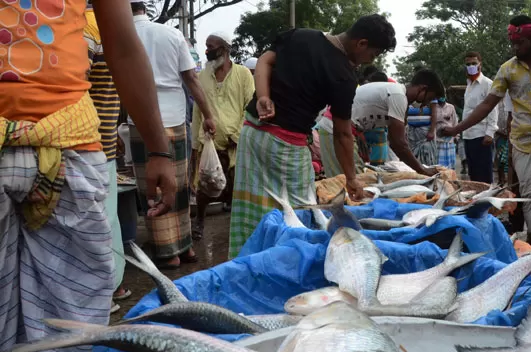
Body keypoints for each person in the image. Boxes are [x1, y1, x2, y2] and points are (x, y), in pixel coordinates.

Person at [0, 0, 176, 352]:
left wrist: (157, 148)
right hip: (70, 143)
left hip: (72, 142)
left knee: (79, 309)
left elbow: (123, 47)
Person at [228, 15, 397, 258]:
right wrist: (351, 179)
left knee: (252, 205)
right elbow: (342, 134)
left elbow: (265, 60)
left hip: (252, 134)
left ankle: (245, 260)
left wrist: (263, 96)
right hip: (286, 149)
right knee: (302, 211)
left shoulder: (302, 36)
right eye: (373, 53)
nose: (371, 60)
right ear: (361, 43)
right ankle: (285, 262)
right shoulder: (343, 76)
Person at [442, 16, 531, 252]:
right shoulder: (507, 69)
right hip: (524, 144)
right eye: (513, 43)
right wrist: (457, 129)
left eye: (520, 42)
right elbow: (486, 105)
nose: (515, 47)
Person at [130, 1, 216, 268]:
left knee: (152, 187)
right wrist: (209, 114)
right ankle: (185, 246)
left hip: (141, 120)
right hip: (175, 118)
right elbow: (191, 79)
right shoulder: (172, 34)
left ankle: (168, 252)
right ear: (146, 8)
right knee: (178, 185)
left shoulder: (120, 34)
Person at [83, 5, 131, 313]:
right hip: (103, 144)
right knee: (107, 217)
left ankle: (102, 293)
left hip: (84, 145)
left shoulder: (85, 25)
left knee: (94, 221)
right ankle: (113, 287)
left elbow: (77, 86)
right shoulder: (107, 28)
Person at [318, 70, 445, 179]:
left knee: (352, 180)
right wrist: (422, 170)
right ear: (423, 88)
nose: (425, 104)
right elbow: (398, 144)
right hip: (335, 129)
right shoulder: (398, 95)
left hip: (342, 130)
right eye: (428, 98)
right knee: (347, 182)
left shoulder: (398, 95)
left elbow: (397, 139)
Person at [191, 31, 255, 240]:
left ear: (225, 49)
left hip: (235, 144)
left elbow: (250, 107)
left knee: (236, 187)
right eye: (206, 46)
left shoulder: (243, 74)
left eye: (211, 47)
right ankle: (199, 222)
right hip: (209, 143)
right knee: (204, 188)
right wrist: (195, 144)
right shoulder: (202, 76)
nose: (207, 50)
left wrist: (236, 134)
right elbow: (197, 111)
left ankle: (237, 228)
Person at [461, 52, 498, 184]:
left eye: (474, 63)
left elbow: (493, 109)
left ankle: (487, 203)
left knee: (485, 177)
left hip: (482, 136)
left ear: (480, 65)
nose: (471, 66)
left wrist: (490, 132)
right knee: (474, 175)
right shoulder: (469, 86)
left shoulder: (487, 84)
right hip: (468, 135)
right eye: (468, 64)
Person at [362, 71, 392, 167]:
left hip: (364, 130)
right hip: (377, 131)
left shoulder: (363, 91)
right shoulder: (384, 93)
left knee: (364, 162)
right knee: (377, 165)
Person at [434, 97, 458, 169]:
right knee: (438, 165)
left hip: (449, 140)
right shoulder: (433, 107)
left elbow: (455, 122)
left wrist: (456, 137)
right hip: (437, 140)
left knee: (450, 166)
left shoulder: (451, 107)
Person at [494, 93, 513, 186]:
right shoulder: (496, 105)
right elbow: (493, 123)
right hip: (500, 136)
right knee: (500, 158)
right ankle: (501, 180)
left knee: (508, 159)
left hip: (511, 135)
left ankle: (507, 180)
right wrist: (501, 132)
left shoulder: (510, 104)